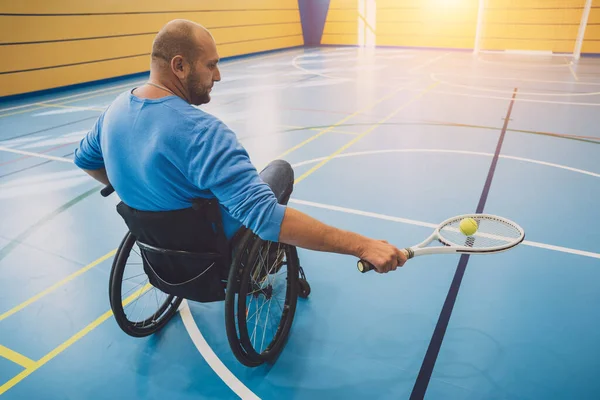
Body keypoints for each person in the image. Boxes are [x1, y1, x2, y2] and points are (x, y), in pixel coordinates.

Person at [73, 19, 406, 274]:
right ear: (179, 66)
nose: (217, 76)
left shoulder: (113, 111)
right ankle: (266, 257)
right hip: (213, 251)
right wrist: (361, 245)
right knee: (279, 171)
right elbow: (266, 217)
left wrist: (142, 192)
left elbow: (85, 160)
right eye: (211, 64)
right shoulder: (201, 132)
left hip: (160, 253)